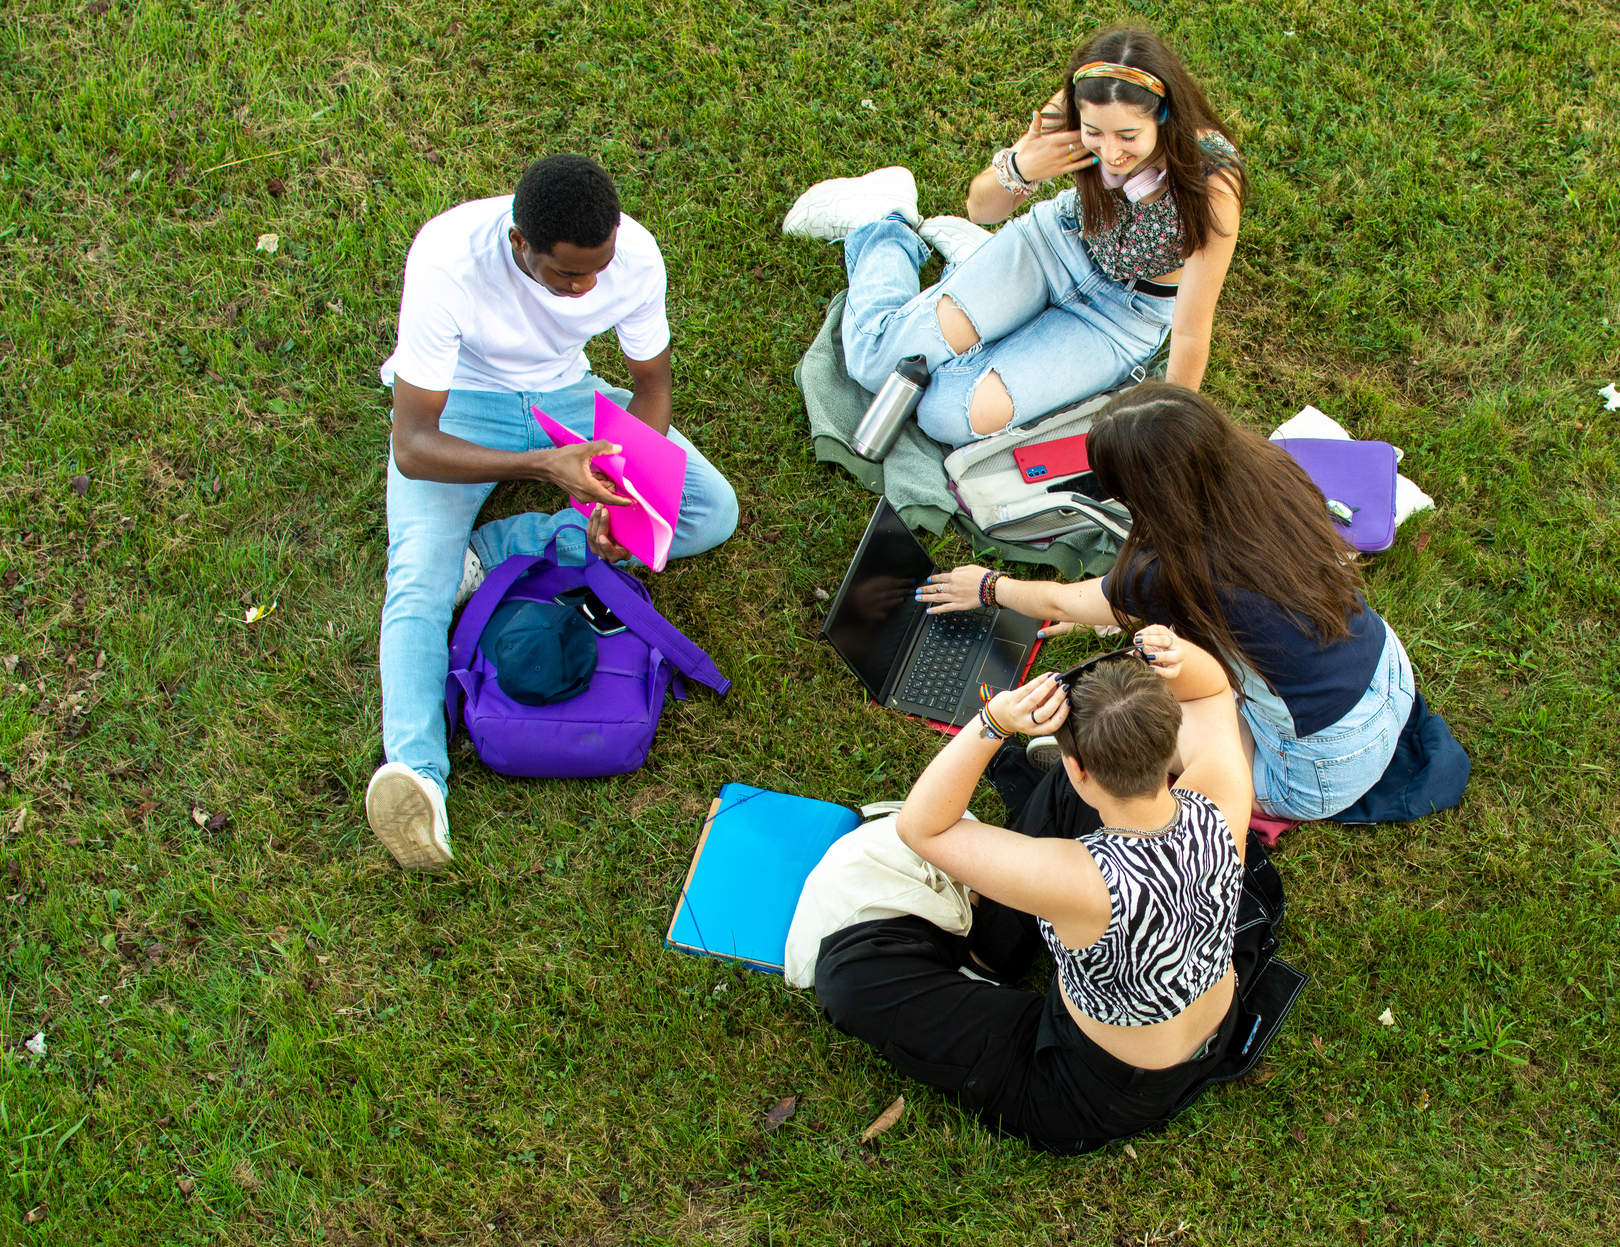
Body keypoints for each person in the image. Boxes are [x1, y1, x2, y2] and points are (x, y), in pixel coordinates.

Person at [365, 154, 740, 871]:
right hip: (461, 412)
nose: (586, 287)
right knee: (419, 579)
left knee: (707, 512)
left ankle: (523, 542)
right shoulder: (448, 258)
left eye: (597, 269)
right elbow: (414, 445)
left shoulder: (632, 256)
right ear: (519, 246)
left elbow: (651, 387)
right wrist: (541, 466)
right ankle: (418, 775)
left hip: (565, 397)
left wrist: (624, 483)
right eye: (568, 275)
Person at [811, 629, 1268, 1153]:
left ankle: (984, 956)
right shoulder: (1222, 799)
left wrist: (992, 723)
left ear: (1079, 768)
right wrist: (1181, 656)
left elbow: (924, 828)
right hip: (1210, 1029)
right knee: (1057, 799)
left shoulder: (1079, 878)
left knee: (849, 976)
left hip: (1098, 1086)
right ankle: (990, 956)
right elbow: (1211, 692)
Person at [917, 382, 1420, 821]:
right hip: (1389, 672)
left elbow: (1065, 601)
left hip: (1323, 767)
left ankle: (1092, 758)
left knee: (1139, 718)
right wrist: (1115, 613)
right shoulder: (1274, 473)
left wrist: (988, 587)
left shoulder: (1165, 571)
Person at [779, 26, 1245, 445]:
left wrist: (1174, 433)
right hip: (1050, 247)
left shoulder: (1211, 181)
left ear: (1163, 116)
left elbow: (1189, 327)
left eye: (1128, 135)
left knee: (944, 414)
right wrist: (1023, 167)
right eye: (1094, 134)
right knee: (875, 363)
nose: (1110, 152)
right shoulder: (1073, 109)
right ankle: (884, 219)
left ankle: (972, 273)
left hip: (1121, 317)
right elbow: (981, 207)